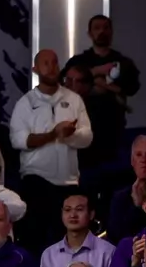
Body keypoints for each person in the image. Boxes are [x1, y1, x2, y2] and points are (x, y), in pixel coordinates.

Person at [9, 48, 93, 248]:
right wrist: (53, 134)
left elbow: (87, 137)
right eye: (45, 63)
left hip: (68, 182)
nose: (51, 67)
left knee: (67, 241)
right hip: (36, 181)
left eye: (54, 62)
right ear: (35, 69)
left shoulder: (74, 100)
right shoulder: (26, 103)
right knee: (34, 241)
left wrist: (69, 135)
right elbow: (18, 140)